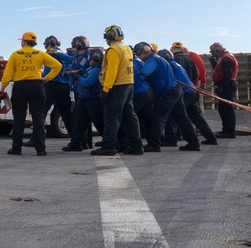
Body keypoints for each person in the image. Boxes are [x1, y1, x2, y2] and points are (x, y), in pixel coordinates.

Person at [0, 31, 62, 156]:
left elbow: (7, 75)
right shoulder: (40, 54)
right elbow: (57, 65)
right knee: (38, 118)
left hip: (20, 87)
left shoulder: (16, 55)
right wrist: (46, 78)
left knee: (19, 118)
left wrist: (2, 88)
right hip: (36, 86)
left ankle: (16, 148)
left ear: (23, 41)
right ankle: (41, 149)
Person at [135, 43, 200, 151]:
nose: (138, 55)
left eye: (138, 52)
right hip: (175, 90)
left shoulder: (152, 60)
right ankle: (194, 143)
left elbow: (144, 72)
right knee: (182, 118)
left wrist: (133, 71)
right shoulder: (158, 58)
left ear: (145, 50)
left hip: (168, 92)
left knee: (158, 116)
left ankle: (154, 144)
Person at [92, 25, 143, 156]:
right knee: (129, 116)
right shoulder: (126, 48)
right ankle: (136, 146)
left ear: (110, 36)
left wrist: (106, 89)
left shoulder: (113, 50)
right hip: (128, 84)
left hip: (116, 86)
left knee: (111, 117)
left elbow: (112, 71)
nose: (105, 39)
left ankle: (109, 146)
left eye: (106, 36)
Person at [160, 49, 216, 144]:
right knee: (196, 117)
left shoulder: (168, 66)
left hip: (185, 92)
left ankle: (171, 139)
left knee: (175, 115)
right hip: (192, 90)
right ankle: (211, 138)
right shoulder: (179, 64)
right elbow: (196, 75)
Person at [62, 48, 104, 151]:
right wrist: (80, 74)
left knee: (99, 123)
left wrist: (78, 77)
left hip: (93, 99)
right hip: (85, 98)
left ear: (96, 59)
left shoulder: (97, 70)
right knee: (79, 123)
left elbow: (87, 82)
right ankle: (76, 144)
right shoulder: (91, 69)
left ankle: (111, 142)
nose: (89, 60)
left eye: (91, 59)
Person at [209, 42, 239, 138]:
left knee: (227, 109)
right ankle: (226, 130)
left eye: (213, 52)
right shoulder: (223, 58)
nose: (212, 54)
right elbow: (221, 70)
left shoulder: (226, 59)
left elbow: (227, 75)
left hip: (228, 86)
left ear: (217, 50)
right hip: (227, 85)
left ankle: (230, 132)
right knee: (223, 109)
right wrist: (213, 63)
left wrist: (221, 87)